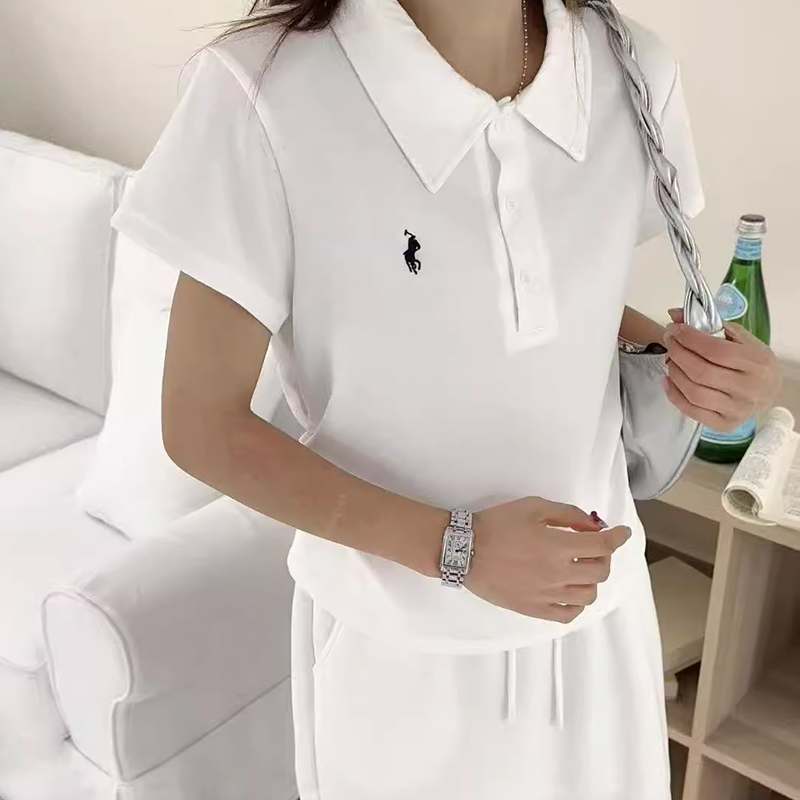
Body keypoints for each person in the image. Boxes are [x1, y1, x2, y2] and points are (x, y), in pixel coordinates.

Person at [111, 0, 781, 797]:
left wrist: (712, 371)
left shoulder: (631, 67)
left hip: (602, 622)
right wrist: (459, 548)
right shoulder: (260, 89)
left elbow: (556, 300)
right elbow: (200, 423)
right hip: (400, 653)